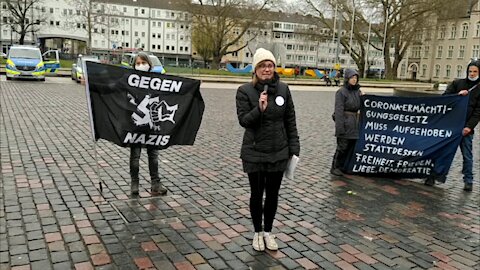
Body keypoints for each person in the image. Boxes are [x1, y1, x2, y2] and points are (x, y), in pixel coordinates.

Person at [236, 48, 300, 252]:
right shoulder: (244, 91)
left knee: (273, 195)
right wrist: (259, 109)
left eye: (270, 65)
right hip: (254, 152)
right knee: (257, 194)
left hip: (278, 151)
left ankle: (268, 232)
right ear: (255, 69)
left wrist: (294, 147)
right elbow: (244, 121)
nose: (266, 69)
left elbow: (290, 120)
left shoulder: (284, 90)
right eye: (262, 66)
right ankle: (257, 232)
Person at [425, 60, 480, 191]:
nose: (472, 74)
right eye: (470, 71)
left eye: (475, 72)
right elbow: (445, 98)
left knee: (467, 155)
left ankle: (468, 180)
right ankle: (432, 176)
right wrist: (458, 95)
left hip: (466, 128)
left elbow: (478, 111)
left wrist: (469, 127)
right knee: (441, 151)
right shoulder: (458, 83)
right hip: (451, 125)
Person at [129, 52, 167, 196]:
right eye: (138, 63)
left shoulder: (156, 81)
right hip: (135, 125)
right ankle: (134, 183)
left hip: (151, 125)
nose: (141, 66)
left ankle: (155, 184)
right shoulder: (130, 81)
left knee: (153, 156)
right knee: (135, 156)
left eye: (143, 63)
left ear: (149, 65)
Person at [331, 69, 362, 176]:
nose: (354, 80)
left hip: (354, 123)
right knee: (342, 147)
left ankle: (344, 166)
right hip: (345, 122)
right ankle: (336, 166)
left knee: (351, 147)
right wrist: (340, 128)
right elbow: (338, 111)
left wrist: (365, 97)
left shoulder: (358, 92)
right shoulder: (341, 92)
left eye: (355, 78)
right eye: (352, 78)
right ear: (347, 78)